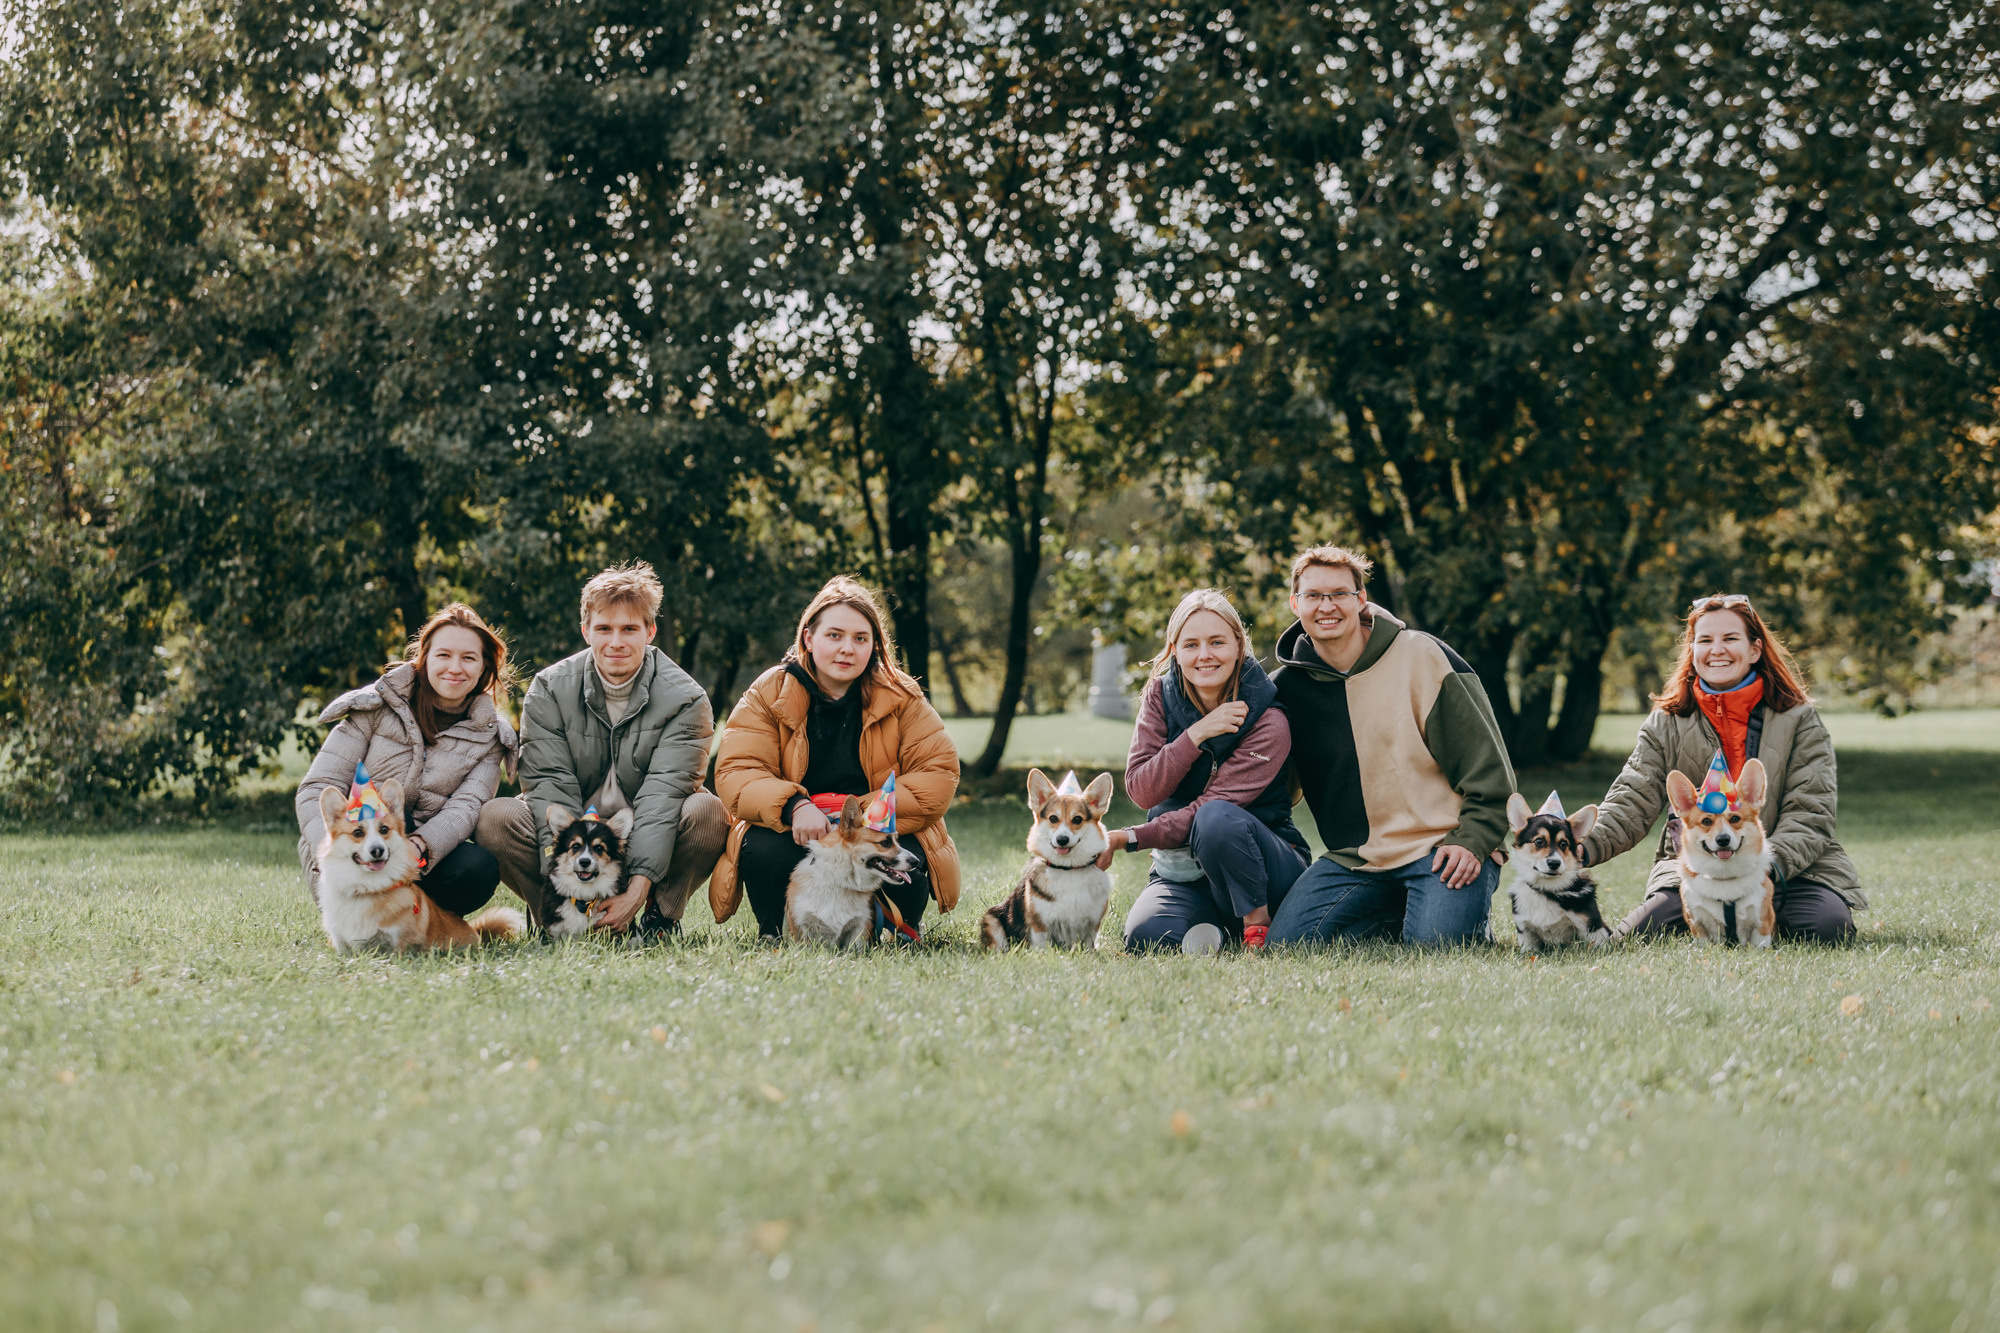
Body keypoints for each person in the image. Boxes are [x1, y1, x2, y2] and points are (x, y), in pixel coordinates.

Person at [1265, 545, 1516, 947]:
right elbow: (1281, 787)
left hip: (1442, 845)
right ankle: (1402, 912)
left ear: (1361, 600)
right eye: (1313, 596)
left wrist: (1473, 840)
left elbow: (1489, 769)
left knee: (1436, 947)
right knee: (1288, 946)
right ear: (1296, 604)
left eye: (1339, 594)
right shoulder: (1285, 690)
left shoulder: (1421, 656)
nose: (1326, 606)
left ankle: (1457, 913)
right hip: (1357, 859)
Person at [1585, 594, 1862, 942]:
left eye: (1730, 639)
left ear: (1755, 649)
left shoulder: (1799, 719)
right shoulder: (1665, 724)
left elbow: (1811, 812)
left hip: (1790, 870)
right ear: (1692, 651)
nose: (1717, 650)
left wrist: (1766, 867)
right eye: (1705, 640)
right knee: (1639, 934)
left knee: (1827, 928)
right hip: (1698, 870)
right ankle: (1714, 922)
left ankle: (1757, 921)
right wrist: (1579, 847)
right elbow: (1631, 799)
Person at [475, 563, 728, 937]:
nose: (616, 642)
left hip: (641, 828)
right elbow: (549, 786)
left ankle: (658, 921)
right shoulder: (548, 690)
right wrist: (567, 879)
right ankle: (556, 919)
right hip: (574, 846)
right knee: (495, 817)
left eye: (629, 629)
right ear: (585, 631)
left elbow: (665, 795)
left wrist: (636, 890)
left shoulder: (687, 698)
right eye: (604, 629)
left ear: (650, 630)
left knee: (707, 811)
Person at [708, 577, 961, 941]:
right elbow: (738, 771)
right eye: (834, 635)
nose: (847, 649)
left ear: (874, 645)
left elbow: (937, 774)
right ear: (809, 639)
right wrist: (795, 806)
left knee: (903, 851)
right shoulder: (769, 692)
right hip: (799, 828)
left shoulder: (902, 696)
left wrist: (861, 817)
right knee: (764, 848)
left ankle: (895, 929)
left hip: (875, 823)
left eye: (861, 638)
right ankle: (777, 930)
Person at [1107, 589, 1308, 954]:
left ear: (1239, 646)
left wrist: (1128, 838)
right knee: (1145, 937)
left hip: (1263, 865)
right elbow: (1142, 790)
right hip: (1186, 870)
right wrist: (1195, 734)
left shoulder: (1269, 719)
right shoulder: (1159, 696)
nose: (1204, 655)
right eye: (1191, 645)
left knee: (1216, 819)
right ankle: (1219, 924)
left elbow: (1209, 810)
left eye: (1217, 642)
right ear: (1174, 651)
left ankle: (1257, 924)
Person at [297, 604, 516, 916]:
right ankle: (362, 914)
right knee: (397, 823)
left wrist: (420, 845)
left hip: (421, 860)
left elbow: (466, 806)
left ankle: (423, 922)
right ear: (424, 658)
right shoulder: (373, 707)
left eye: (468, 658)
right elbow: (318, 786)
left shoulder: (490, 736)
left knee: (477, 868)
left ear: (483, 668)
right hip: (354, 847)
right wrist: (329, 848)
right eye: (444, 655)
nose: (455, 667)